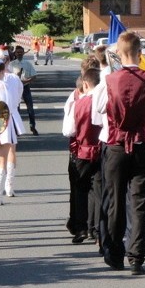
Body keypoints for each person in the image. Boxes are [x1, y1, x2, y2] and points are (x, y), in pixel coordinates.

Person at [92, 31, 145, 274]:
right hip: (141, 145)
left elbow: (97, 111)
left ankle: (114, 253)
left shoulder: (110, 79)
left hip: (116, 145)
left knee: (115, 200)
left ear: (119, 54)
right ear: (140, 52)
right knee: (139, 202)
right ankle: (137, 256)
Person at [62, 68, 103, 244]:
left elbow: (68, 130)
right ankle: (97, 227)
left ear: (85, 84)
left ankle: (81, 227)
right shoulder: (104, 103)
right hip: (100, 150)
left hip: (82, 150)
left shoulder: (78, 104)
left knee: (80, 190)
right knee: (98, 190)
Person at [0, 52, 25, 204]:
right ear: (2, 69)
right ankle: (0, 193)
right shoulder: (10, 81)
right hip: (5, 119)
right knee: (3, 154)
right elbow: (16, 100)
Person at [8, 45, 38, 136]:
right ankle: (16, 128)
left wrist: (26, 81)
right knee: (16, 109)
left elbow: (34, 76)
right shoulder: (11, 64)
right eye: (18, 52)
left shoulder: (28, 64)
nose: (19, 53)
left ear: (23, 53)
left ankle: (32, 126)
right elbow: (8, 77)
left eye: (21, 52)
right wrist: (16, 79)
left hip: (25, 87)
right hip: (15, 89)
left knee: (30, 108)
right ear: (15, 53)